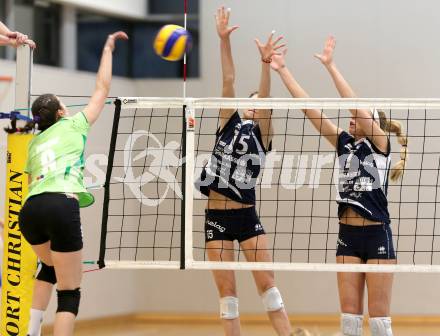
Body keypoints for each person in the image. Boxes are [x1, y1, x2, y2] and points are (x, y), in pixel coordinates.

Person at [271, 37, 407, 336]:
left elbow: (355, 106)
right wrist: (282, 70)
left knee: (380, 321)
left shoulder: (380, 146)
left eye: (361, 116)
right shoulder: (343, 143)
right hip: (347, 235)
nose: (352, 118)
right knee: (349, 321)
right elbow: (311, 111)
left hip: (376, 233)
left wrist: (331, 67)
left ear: (374, 124)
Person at [18, 31, 128, 336]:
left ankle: (32, 331)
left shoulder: (33, 143)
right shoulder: (74, 124)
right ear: (62, 113)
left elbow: (31, 182)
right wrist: (107, 48)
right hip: (59, 203)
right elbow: (102, 88)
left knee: (50, 267)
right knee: (70, 292)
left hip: (30, 209)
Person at [195, 6, 292, 336]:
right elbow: (229, 79)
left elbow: (264, 98)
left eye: (257, 101)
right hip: (216, 216)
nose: (252, 102)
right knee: (228, 296)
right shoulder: (229, 121)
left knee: (268, 286)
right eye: (248, 100)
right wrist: (223, 41)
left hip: (247, 215)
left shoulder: (263, 132)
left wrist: (265, 65)